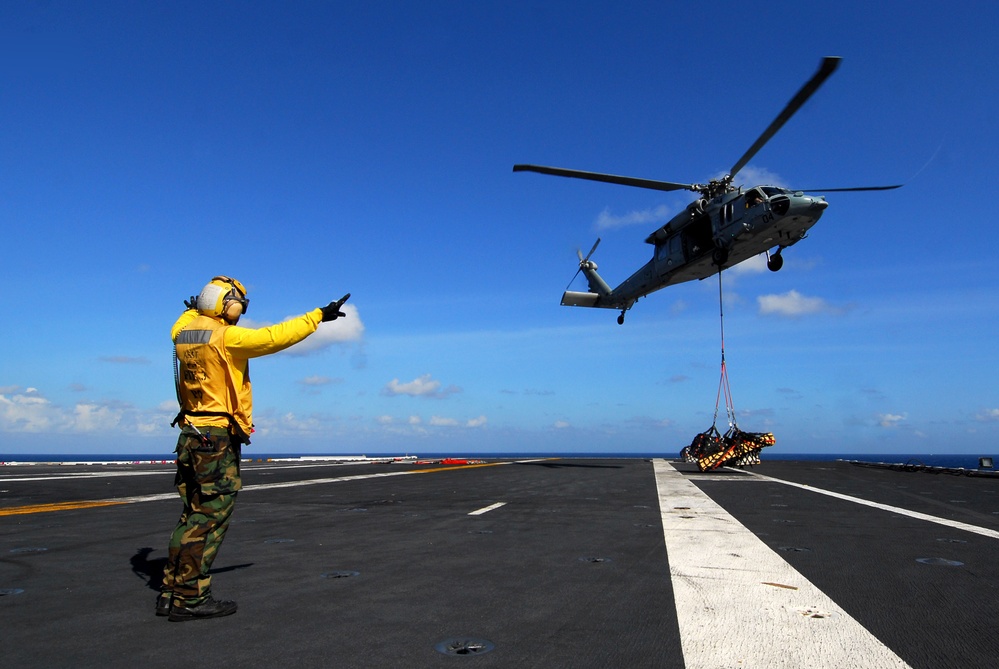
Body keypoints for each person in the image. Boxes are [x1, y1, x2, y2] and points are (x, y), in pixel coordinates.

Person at [157, 275, 350, 622]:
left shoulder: (183, 333)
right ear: (225, 304)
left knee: (191, 515)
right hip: (215, 438)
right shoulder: (226, 337)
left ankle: (171, 591)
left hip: (189, 435)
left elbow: (183, 319)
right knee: (211, 517)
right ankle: (191, 598)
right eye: (239, 305)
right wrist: (318, 315)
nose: (241, 312)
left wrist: (194, 308)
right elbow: (274, 337)